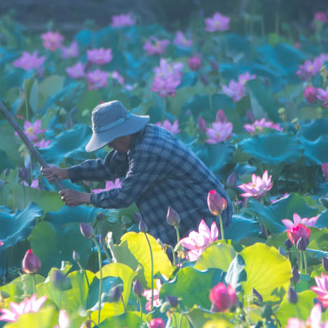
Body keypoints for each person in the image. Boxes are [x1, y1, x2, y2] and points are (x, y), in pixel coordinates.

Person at [44, 101, 225, 244]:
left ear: (121, 134)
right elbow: (110, 168)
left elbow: (124, 196)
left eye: (110, 141)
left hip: (203, 217)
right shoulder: (139, 137)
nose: (108, 146)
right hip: (181, 215)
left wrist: (83, 198)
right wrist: (66, 173)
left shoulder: (148, 150)